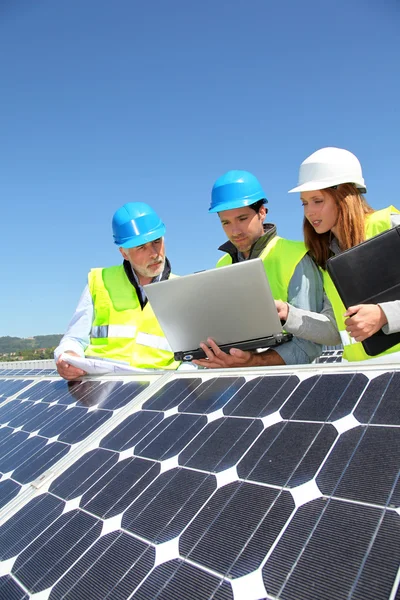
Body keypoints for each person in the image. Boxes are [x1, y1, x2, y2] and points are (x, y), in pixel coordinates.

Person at [193, 170, 326, 369]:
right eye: (226, 222)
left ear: (262, 212)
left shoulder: (296, 256)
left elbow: (310, 345)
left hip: (288, 382)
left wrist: (254, 362)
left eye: (242, 218)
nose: (235, 231)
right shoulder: (222, 265)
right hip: (235, 380)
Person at [281, 146, 400, 362]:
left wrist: (384, 314)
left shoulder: (389, 225)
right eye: (305, 203)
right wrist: (287, 315)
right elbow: (335, 330)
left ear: (344, 196)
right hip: (362, 375)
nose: (309, 212)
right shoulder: (328, 257)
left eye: (318, 201)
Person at [55, 202, 181, 380]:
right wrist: (67, 355)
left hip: (159, 395)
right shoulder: (99, 281)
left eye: (156, 242)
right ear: (124, 253)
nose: (154, 253)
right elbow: (74, 339)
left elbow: (192, 356)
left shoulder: (182, 289)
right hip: (100, 390)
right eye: (141, 247)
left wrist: (182, 380)